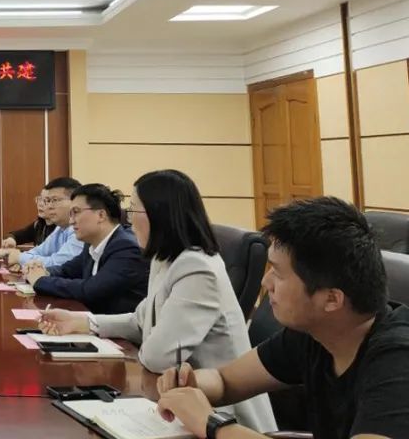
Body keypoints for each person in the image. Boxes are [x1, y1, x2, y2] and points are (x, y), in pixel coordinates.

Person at [39, 170, 275, 432]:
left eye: (133, 210)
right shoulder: (165, 259)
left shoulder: (197, 268)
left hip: (223, 418)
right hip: (180, 403)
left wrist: (141, 343)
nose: (128, 220)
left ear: (158, 214)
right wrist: (82, 322)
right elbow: (140, 320)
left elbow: (159, 357)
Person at [156, 196, 409, 439]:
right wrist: (190, 384)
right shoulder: (316, 332)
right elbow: (224, 381)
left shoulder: (398, 360)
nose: (266, 282)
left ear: (332, 299)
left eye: (277, 273)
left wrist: (213, 424)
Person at [23, 183, 148, 314]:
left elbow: (90, 290)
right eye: (70, 214)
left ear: (101, 215)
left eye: (76, 212)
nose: (71, 221)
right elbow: (66, 270)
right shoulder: (92, 244)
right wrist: (38, 271)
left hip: (117, 326)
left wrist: (40, 280)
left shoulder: (126, 247)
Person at [0, 177, 84, 271]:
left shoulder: (81, 229)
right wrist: (22, 261)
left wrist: (19, 258)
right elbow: (38, 252)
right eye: (47, 201)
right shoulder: (60, 228)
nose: (49, 206)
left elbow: (59, 263)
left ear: (74, 201)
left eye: (54, 200)